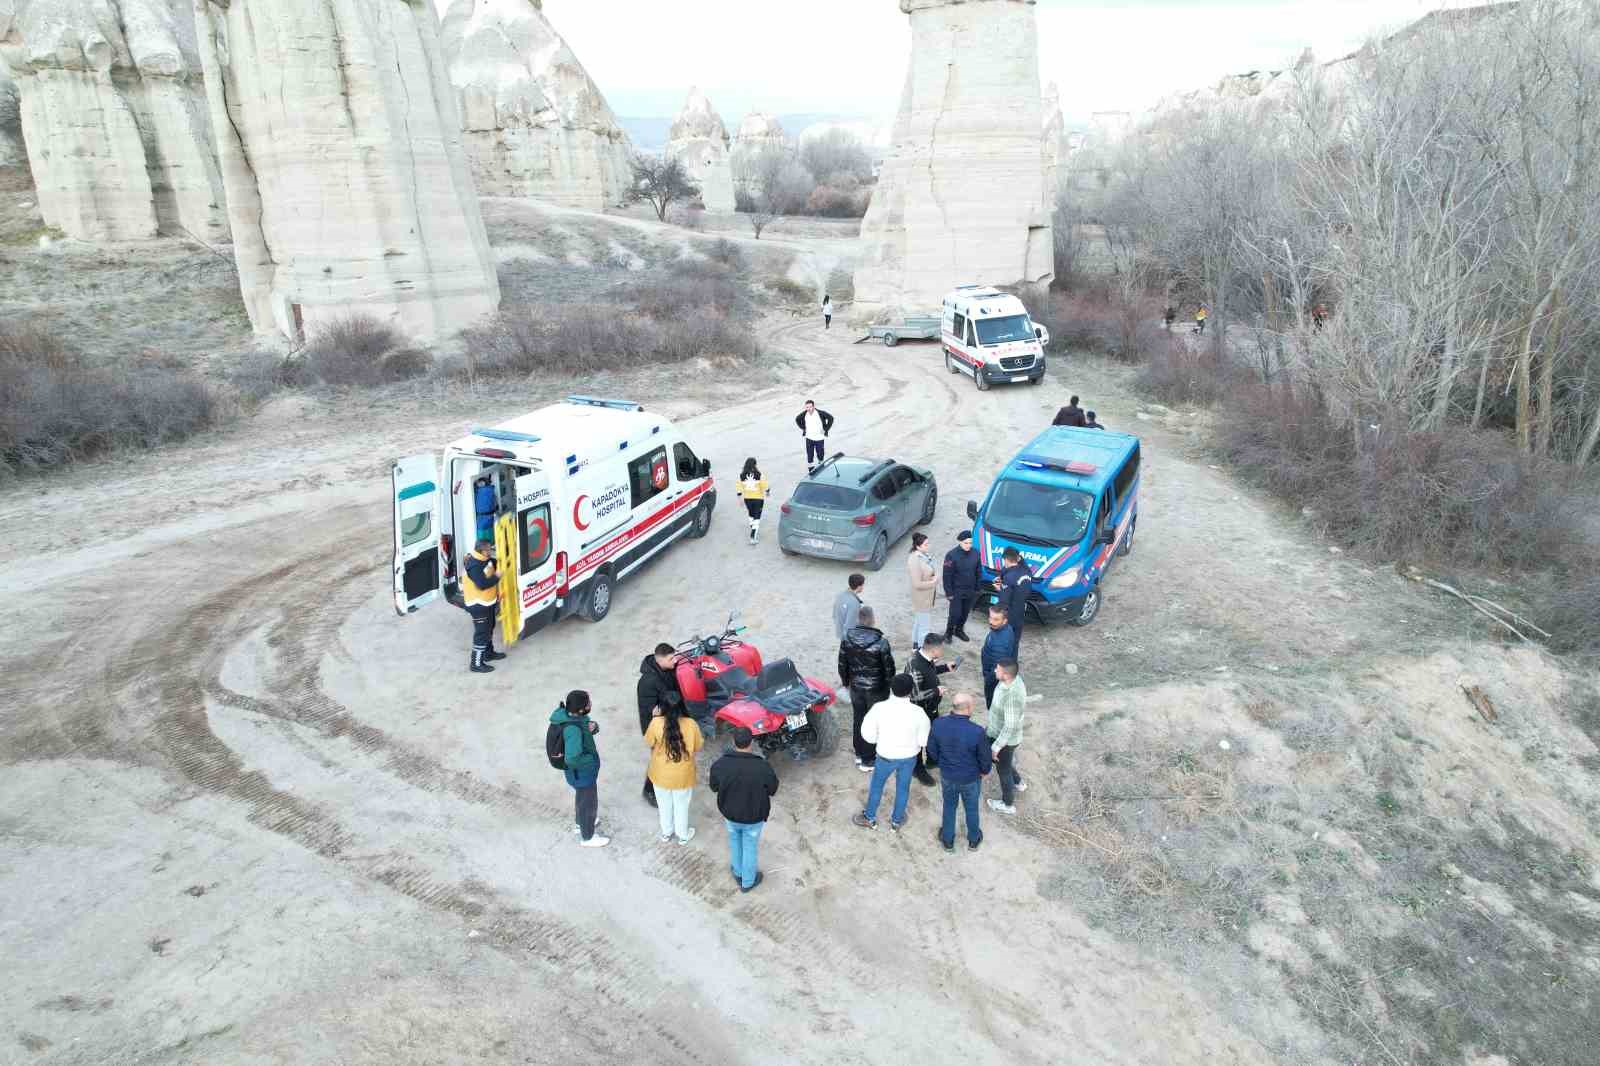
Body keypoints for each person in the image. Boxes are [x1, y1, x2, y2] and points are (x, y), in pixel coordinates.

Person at [852, 674, 931, 832]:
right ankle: (896, 820)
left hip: (885, 757)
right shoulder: (919, 712)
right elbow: (923, 742)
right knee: (903, 788)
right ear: (910, 691)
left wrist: (878, 740)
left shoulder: (879, 708)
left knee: (877, 787)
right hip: (909, 758)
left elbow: (867, 734)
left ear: (891, 688)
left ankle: (870, 817)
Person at [709, 726, 779, 892]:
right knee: (750, 846)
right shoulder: (762, 766)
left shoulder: (720, 764)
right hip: (754, 817)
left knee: (734, 840)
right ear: (752, 742)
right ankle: (747, 882)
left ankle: (738, 871)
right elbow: (773, 789)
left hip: (730, 814)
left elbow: (714, 787)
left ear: (734, 742)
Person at [926, 692, 992, 851]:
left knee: (949, 806)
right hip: (970, 778)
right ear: (968, 708)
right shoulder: (976, 731)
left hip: (948, 775)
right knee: (971, 808)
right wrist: (984, 771)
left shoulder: (938, 724)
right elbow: (985, 757)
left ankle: (948, 840)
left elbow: (931, 750)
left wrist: (942, 763)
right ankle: (974, 839)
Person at [838, 605, 895, 772]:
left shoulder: (847, 639)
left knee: (859, 719)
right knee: (874, 722)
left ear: (858, 619)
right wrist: (890, 686)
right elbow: (889, 668)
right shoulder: (881, 642)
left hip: (856, 687)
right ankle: (868, 759)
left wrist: (846, 682)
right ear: (872, 619)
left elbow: (842, 665)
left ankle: (859, 753)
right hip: (876, 689)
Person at [551, 690, 607, 847]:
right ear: (581, 710)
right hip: (581, 773)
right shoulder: (573, 730)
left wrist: (593, 727)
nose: (590, 704)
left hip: (578, 774)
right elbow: (572, 758)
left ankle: (580, 822)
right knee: (588, 803)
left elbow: (584, 729)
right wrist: (590, 759)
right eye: (588, 702)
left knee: (582, 799)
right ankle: (588, 836)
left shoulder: (571, 717)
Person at [644, 700, 704, 844]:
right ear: (682, 706)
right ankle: (682, 835)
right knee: (681, 805)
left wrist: (654, 718)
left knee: (664, 805)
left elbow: (649, 742)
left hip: (660, 774)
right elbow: (698, 746)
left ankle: (666, 833)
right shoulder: (691, 724)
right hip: (683, 774)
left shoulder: (656, 723)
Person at [907, 632, 959, 786]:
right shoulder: (915, 664)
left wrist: (945, 668)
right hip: (919, 711)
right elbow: (914, 695)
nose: (943, 651)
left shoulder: (926, 658)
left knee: (932, 735)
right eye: (941, 648)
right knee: (919, 740)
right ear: (934, 650)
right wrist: (937, 691)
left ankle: (932, 760)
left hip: (931, 708)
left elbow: (929, 672)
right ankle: (917, 768)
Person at [637, 642, 683, 808]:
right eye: (671, 659)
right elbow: (652, 711)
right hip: (655, 726)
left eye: (675, 656)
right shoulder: (647, 682)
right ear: (659, 660)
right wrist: (671, 702)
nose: (675, 661)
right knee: (659, 758)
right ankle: (649, 790)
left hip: (669, 718)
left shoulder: (666, 669)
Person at [985, 659, 1028, 815]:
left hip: (1005, 740)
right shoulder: (1012, 681)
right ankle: (1019, 783)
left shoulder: (1012, 696)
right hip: (1000, 734)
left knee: (1003, 771)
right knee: (1006, 763)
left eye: (998, 670)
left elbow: (1010, 726)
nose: (995, 671)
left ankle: (1007, 804)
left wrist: (996, 746)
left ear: (1006, 674)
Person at [463, 539, 507, 674]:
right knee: (482, 633)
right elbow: (482, 584)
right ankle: (476, 663)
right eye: (488, 549)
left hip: (487, 602)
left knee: (489, 627)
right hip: (478, 604)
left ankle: (488, 653)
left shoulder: (484, 559)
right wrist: (497, 576)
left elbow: (492, 563)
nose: (490, 551)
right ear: (481, 551)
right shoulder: (474, 565)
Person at [942, 530, 980, 643]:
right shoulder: (951, 555)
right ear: (960, 542)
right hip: (956, 590)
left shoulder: (976, 553)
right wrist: (948, 592)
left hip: (970, 590)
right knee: (955, 613)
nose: (968, 545)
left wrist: (977, 588)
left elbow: (978, 571)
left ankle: (959, 630)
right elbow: (947, 575)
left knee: (965, 613)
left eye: (970, 543)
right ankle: (948, 632)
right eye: (966, 543)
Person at [994, 546, 1034, 648]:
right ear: (1018, 558)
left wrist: (1000, 589)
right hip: (1020, 611)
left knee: (1005, 643)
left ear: (1006, 560)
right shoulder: (1027, 571)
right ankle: (1013, 662)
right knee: (1015, 642)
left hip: (1010, 615)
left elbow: (1004, 601)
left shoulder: (1009, 578)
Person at [979, 605, 1017, 708]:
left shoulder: (1000, 642)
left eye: (996, 619)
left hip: (993, 678)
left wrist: (987, 680)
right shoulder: (1001, 628)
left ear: (1004, 621)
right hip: (996, 673)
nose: (991, 622)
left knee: (992, 704)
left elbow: (996, 670)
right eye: (990, 617)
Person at [906, 532, 938, 651]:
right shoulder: (914, 560)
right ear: (918, 546)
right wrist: (934, 582)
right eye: (925, 544)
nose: (928, 546)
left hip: (925, 596)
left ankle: (915, 645)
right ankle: (921, 650)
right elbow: (917, 584)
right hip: (921, 598)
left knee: (918, 622)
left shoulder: (922, 555)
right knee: (924, 627)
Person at [735, 457, 770, 545]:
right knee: (757, 517)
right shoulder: (759, 474)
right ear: (754, 465)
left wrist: (740, 499)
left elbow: (739, 488)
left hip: (747, 499)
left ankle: (753, 527)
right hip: (758, 499)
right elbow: (764, 485)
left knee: (751, 514)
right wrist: (767, 492)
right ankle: (753, 536)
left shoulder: (741, 476)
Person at [795, 400, 835, 473]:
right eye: (807, 407)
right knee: (810, 455)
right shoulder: (804, 414)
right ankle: (811, 471)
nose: (809, 409)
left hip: (819, 438)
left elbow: (831, 418)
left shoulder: (820, 413)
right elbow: (797, 419)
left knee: (820, 454)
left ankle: (821, 468)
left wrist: (826, 429)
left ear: (813, 406)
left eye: (810, 407)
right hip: (809, 438)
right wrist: (803, 428)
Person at [833, 573, 865, 642]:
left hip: (840, 631)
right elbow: (850, 625)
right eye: (862, 585)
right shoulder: (854, 603)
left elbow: (834, 615)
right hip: (848, 638)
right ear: (859, 587)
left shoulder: (840, 595)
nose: (863, 587)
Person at [473, 474, 498, 543]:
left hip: (482, 519)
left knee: (483, 539)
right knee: (490, 537)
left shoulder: (479, 491)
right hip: (488, 518)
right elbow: (495, 503)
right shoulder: (490, 489)